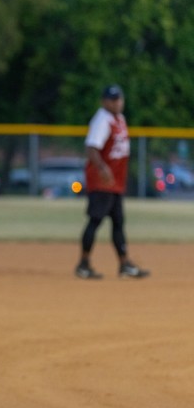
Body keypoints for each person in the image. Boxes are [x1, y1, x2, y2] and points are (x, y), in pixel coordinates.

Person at [75, 85, 150, 280]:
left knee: (118, 222)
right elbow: (91, 148)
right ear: (104, 101)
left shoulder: (119, 119)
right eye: (113, 99)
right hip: (102, 181)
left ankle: (124, 264)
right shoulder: (102, 120)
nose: (117, 102)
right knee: (96, 220)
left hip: (115, 181)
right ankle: (83, 264)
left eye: (119, 99)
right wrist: (102, 168)